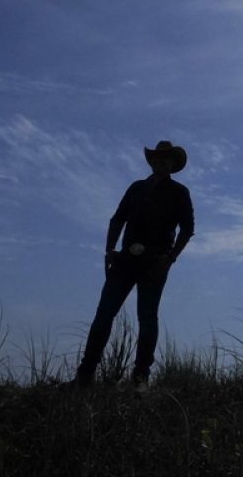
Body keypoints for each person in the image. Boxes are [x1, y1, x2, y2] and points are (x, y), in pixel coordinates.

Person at [71, 140, 194, 389]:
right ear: (152, 161)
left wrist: (169, 260)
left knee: (147, 318)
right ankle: (84, 377)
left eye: (166, 158)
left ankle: (140, 381)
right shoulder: (136, 188)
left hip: (155, 262)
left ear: (172, 163)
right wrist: (109, 250)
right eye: (157, 157)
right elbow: (117, 219)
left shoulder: (179, 192)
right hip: (125, 259)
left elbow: (187, 229)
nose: (161, 161)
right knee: (103, 315)